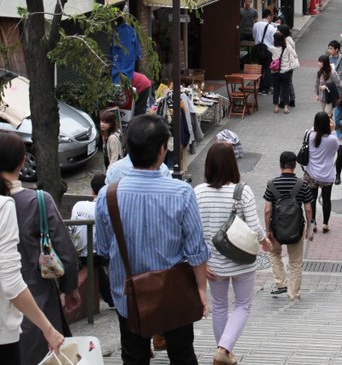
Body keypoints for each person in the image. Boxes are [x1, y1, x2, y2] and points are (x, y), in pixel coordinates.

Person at [94, 114, 209, 365]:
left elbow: (101, 249)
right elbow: (196, 250)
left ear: (129, 148)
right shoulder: (181, 193)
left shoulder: (107, 195)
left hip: (129, 294)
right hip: (174, 291)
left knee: (134, 357)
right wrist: (201, 288)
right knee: (182, 355)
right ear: (161, 150)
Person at [194, 142, 267, 365]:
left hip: (213, 264)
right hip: (242, 262)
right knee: (243, 304)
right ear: (232, 165)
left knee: (219, 306)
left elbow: (194, 231)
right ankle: (224, 349)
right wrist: (266, 241)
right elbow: (254, 229)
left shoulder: (197, 192)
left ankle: (224, 353)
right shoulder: (242, 191)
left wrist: (200, 263)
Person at [0, 140, 66, 365]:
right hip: (17, 313)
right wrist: (49, 329)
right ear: (22, 162)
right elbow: (9, 281)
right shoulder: (8, 205)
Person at [264, 151, 315, 301]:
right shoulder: (302, 184)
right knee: (296, 262)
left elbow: (267, 210)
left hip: (276, 229)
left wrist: (268, 231)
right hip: (296, 229)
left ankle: (281, 283)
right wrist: (309, 229)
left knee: (274, 253)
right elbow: (308, 208)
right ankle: (293, 294)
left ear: (280, 165)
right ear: (294, 166)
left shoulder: (271, 184)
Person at [70, 174, 113, 307]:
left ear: (92, 190)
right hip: (97, 253)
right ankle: (113, 299)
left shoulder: (79, 205)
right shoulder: (105, 207)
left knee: (95, 267)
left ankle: (111, 299)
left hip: (78, 250)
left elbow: (72, 227)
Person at [304, 112, 339, 234]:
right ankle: (325, 223)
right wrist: (333, 129)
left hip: (311, 174)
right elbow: (336, 148)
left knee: (312, 199)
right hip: (327, 175)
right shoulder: (332, 139)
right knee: (326, 199)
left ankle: (312, 223)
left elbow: (311, 130)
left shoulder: (309, 135)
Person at [271, 30, 299, 114]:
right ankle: (286, 108)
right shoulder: (286, 48)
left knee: (276, 90)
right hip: (285, 71)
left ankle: (276, 107)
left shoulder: (272, 48)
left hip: (275, 72)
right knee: (285, 89)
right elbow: (295, 55)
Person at [251, 9, 276, 94]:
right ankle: (266, 88)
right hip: (268, 50)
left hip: (258, 50)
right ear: (269, 16)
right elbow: (273, 41)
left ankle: (260, 88)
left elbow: (254, 36)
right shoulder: (271, 27)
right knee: (268, 69)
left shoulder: (255, 25)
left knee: (259, 69)